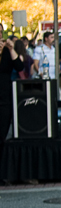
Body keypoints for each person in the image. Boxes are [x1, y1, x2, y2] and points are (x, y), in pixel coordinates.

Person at [0, 36, 24, 164]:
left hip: (4, 95)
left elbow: (19, 67)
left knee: (2, 133)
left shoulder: (7, 52)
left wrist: (11, 49)